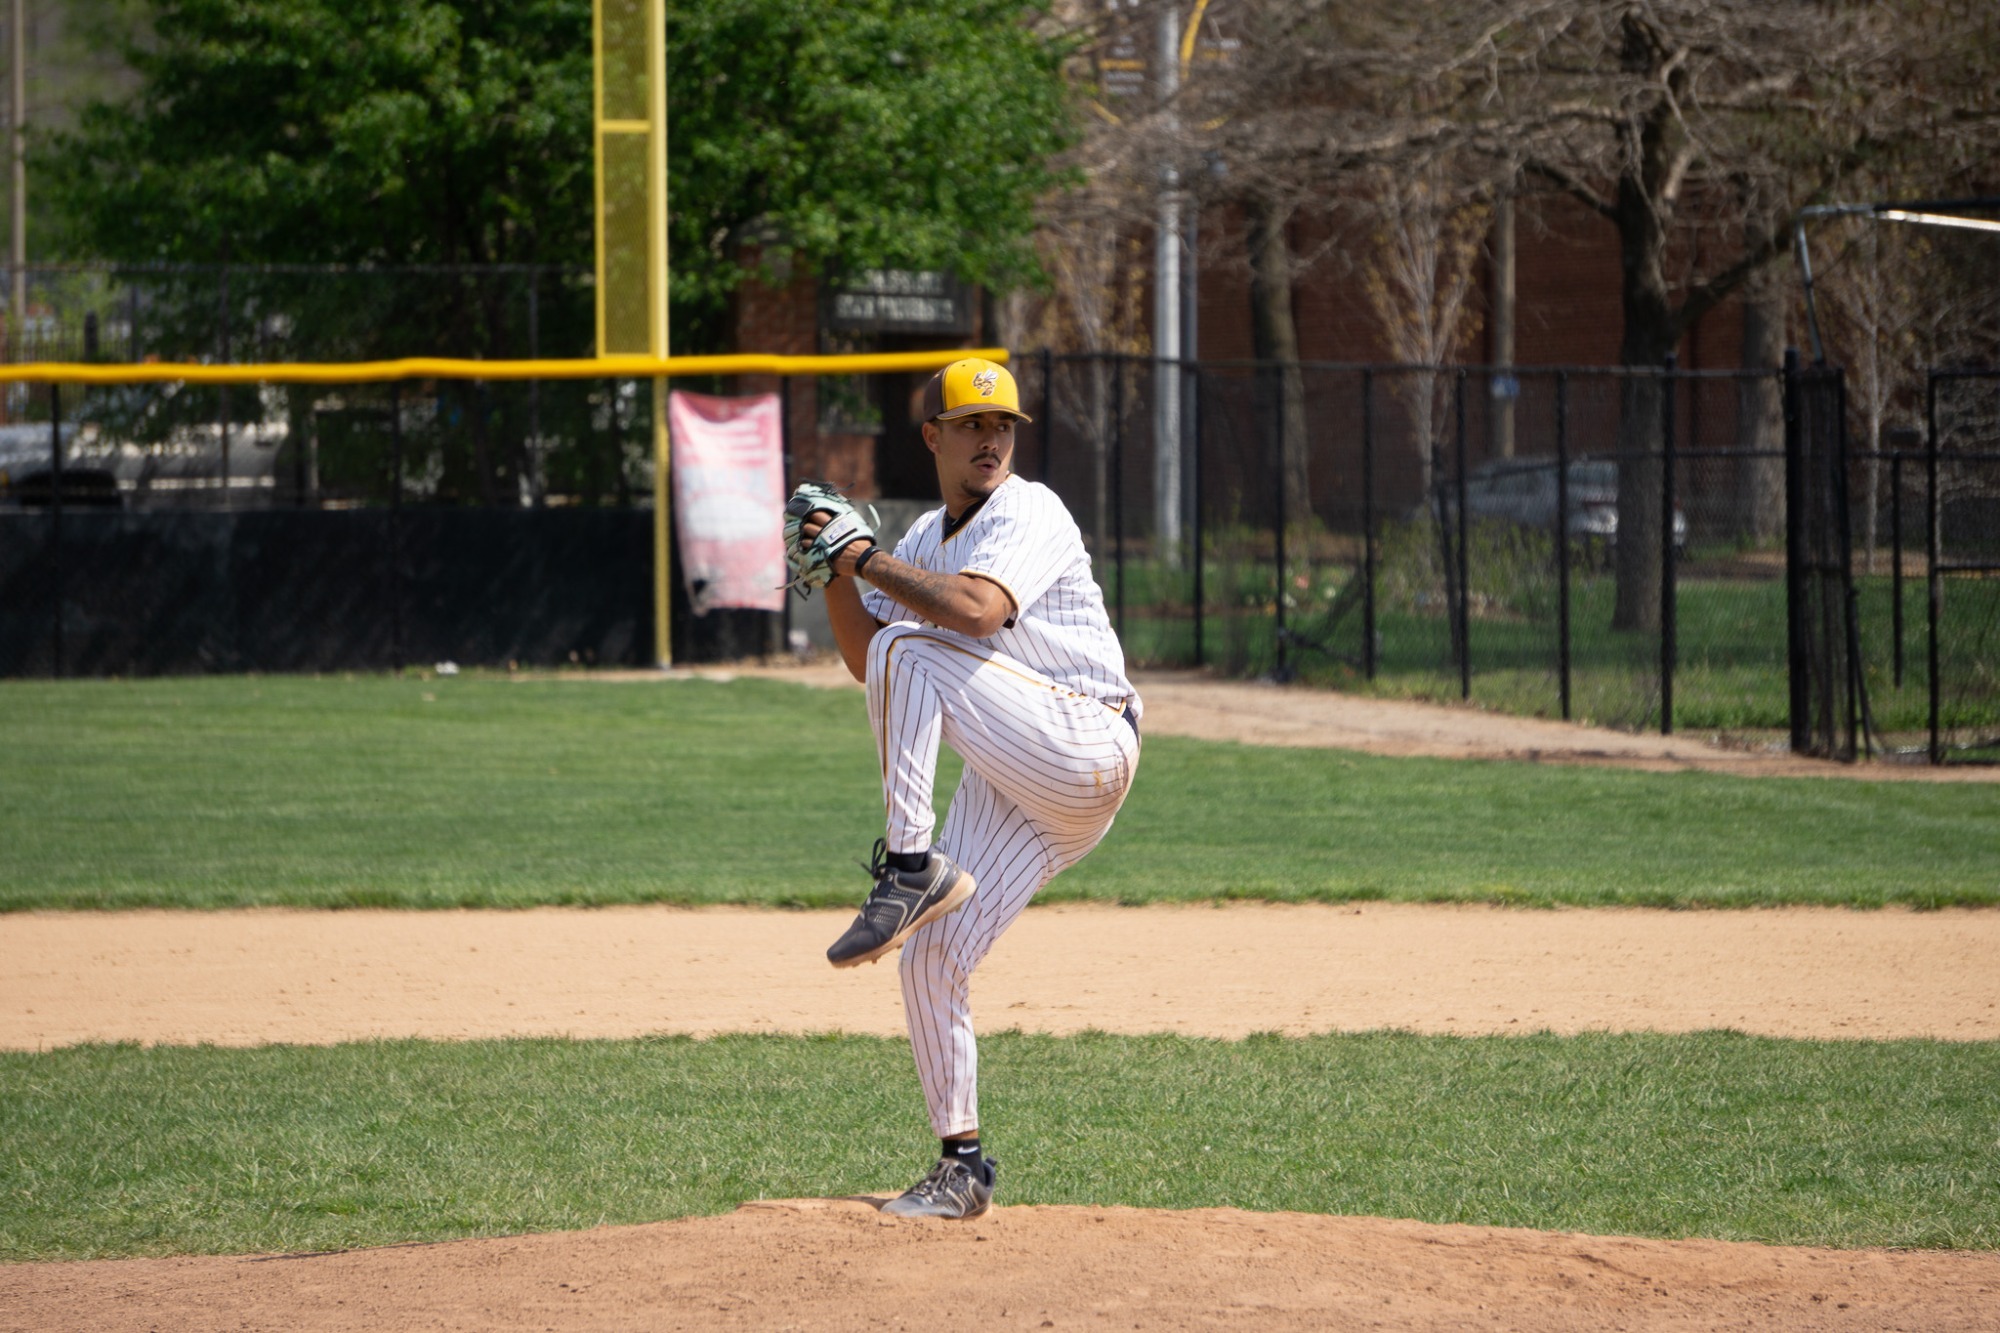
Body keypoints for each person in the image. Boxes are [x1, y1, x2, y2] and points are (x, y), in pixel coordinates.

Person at [798, 356, 1141, 1220]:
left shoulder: (1031, 508)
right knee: (930, 958)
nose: (991, 438)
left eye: (1003, 426)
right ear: (933, 437)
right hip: (1019, 771)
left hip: (1085, 742)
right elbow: (863, 660)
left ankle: (911, 865)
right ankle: (962, 1167)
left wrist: (865, 556)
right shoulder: (921, 541)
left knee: (910, 649)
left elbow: (979, 613)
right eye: (972, 424)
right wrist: (839, 569)